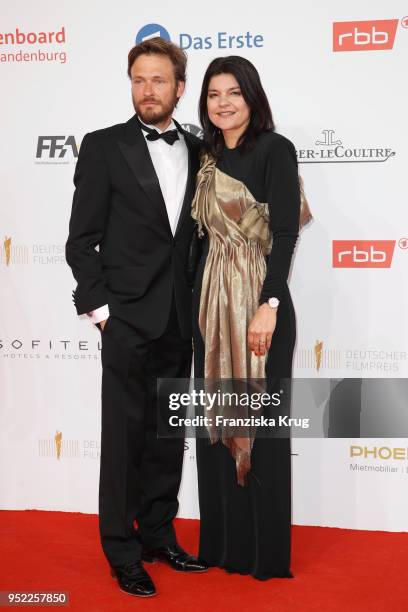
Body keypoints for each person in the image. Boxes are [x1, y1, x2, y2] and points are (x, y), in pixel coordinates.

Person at [66, 37, 207, 599]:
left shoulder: (199, 151)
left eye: (158, 80)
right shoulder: (103, 147)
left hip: (180, 317)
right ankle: (121, 552)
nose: (147, 91)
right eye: (138, 79)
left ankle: (156, 535)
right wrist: (102, 312)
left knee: (167, 438)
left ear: (178, 87)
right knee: (123, 441)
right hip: (125, 320)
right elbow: (81, 241)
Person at [191, 55, 311, 580]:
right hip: (211, 306)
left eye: (233, 92)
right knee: (216, 424)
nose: (223, 103)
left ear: (252, 97)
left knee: (261, 428)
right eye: (214, 94)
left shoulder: (275, 151)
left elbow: (285, 234)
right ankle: (221, 547)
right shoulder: (206, 157)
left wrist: (270, 305)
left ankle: (262, 554)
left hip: (260, 302)